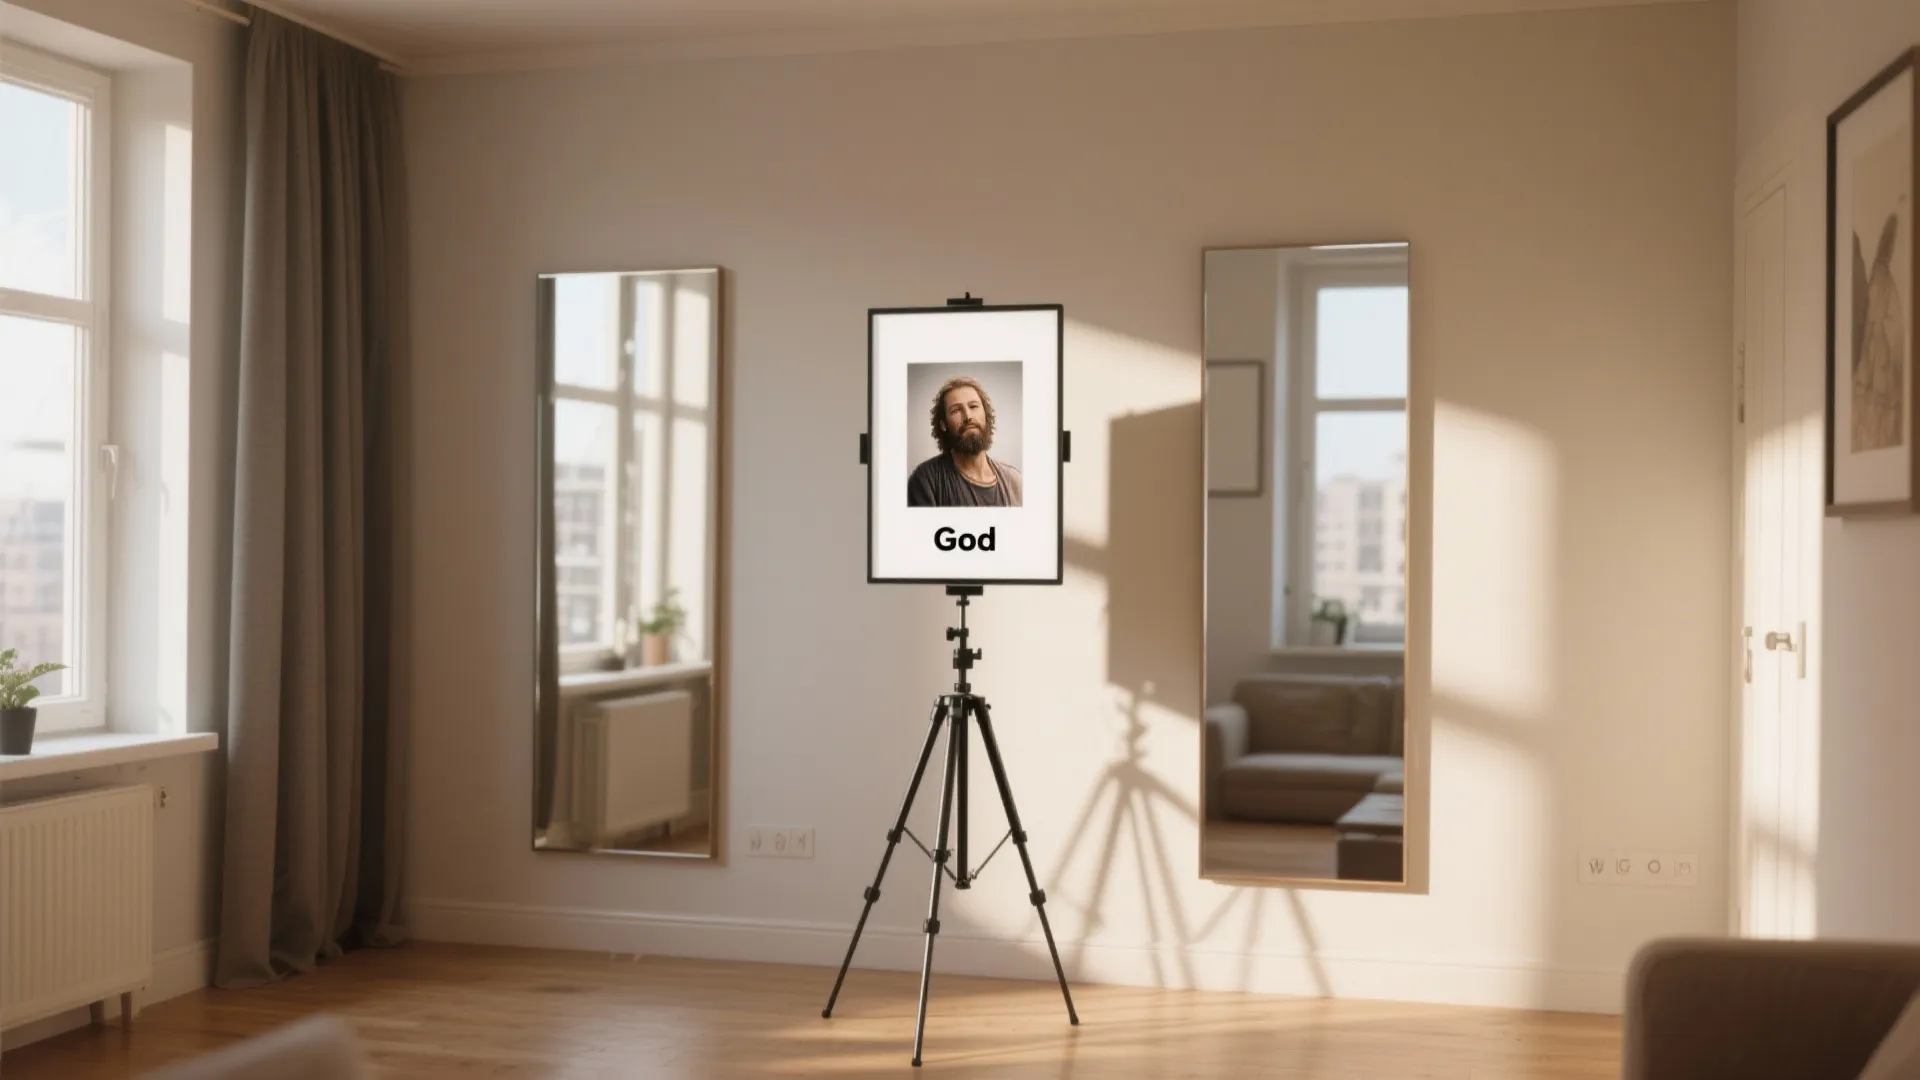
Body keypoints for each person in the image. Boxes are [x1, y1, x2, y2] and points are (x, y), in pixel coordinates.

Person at [907, 375, 1023, 507]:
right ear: (943, 424)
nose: (968, 417)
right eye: (956, 410)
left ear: (986, 415)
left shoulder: (1015, 482)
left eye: (973, 406)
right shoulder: (926, 480)